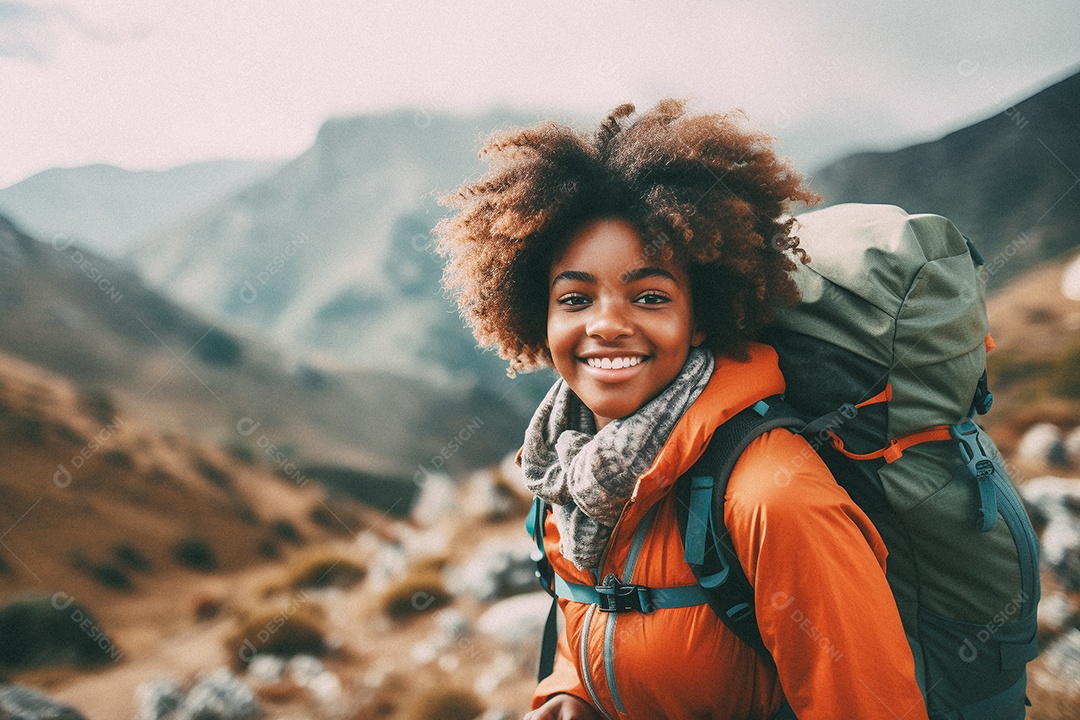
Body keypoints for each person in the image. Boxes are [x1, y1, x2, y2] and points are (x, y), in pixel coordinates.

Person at [436, 100, 930, 720]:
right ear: (540, 314)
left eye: (648, 296)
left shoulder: (772, 499)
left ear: (700, 319)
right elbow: (595, 626)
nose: (607, 325)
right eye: (575, 298)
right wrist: (570, 695)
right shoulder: (566, 466)